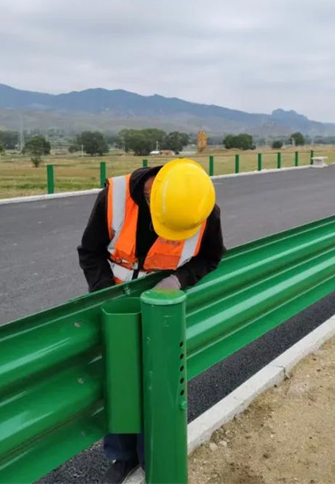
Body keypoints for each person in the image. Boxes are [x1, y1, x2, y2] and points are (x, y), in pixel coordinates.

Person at [78, 158, 225, 483]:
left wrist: (179, 279)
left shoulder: (199, 206)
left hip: (162, 309)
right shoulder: (115, 197)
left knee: (159, 380)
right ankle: (122, 456)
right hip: (116, 305)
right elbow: (89, 251)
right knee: (120, 380)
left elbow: (211, 255)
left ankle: (152, 455)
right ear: (150, 198)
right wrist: (106, 295)